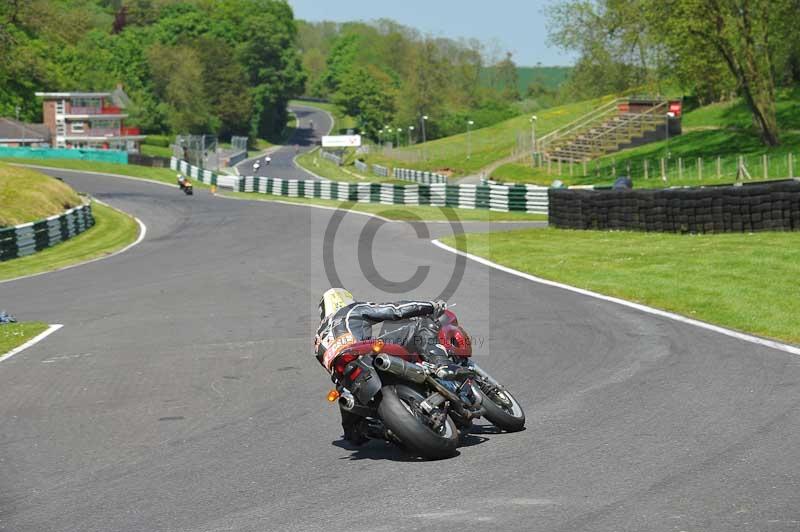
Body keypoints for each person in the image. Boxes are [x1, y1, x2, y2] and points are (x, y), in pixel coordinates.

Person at [314, 288, 449, 444]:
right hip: (363, 355)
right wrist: (431, 306)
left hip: (345, 378)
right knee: (421, 323)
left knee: (352, 433)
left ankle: (378, 430)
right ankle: (442, 364)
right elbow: (394, 310)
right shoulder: (350, 310)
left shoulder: (317, 341)